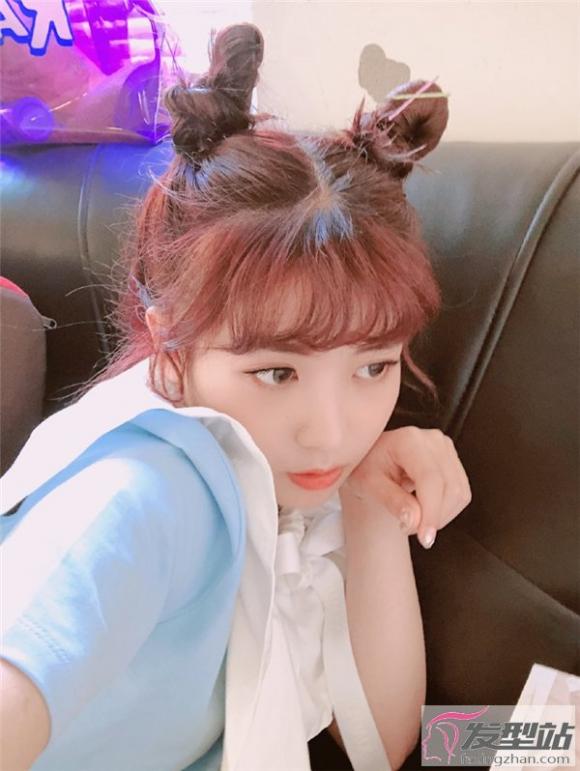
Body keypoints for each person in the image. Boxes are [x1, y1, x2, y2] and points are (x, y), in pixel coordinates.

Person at [0, 22, 472, 771]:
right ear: (171, 344)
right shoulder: (148, 491)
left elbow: (381, 742)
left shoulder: (284, 488)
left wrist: (371, 508)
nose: (330, 433)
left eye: (374, 366)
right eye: (278, 372)